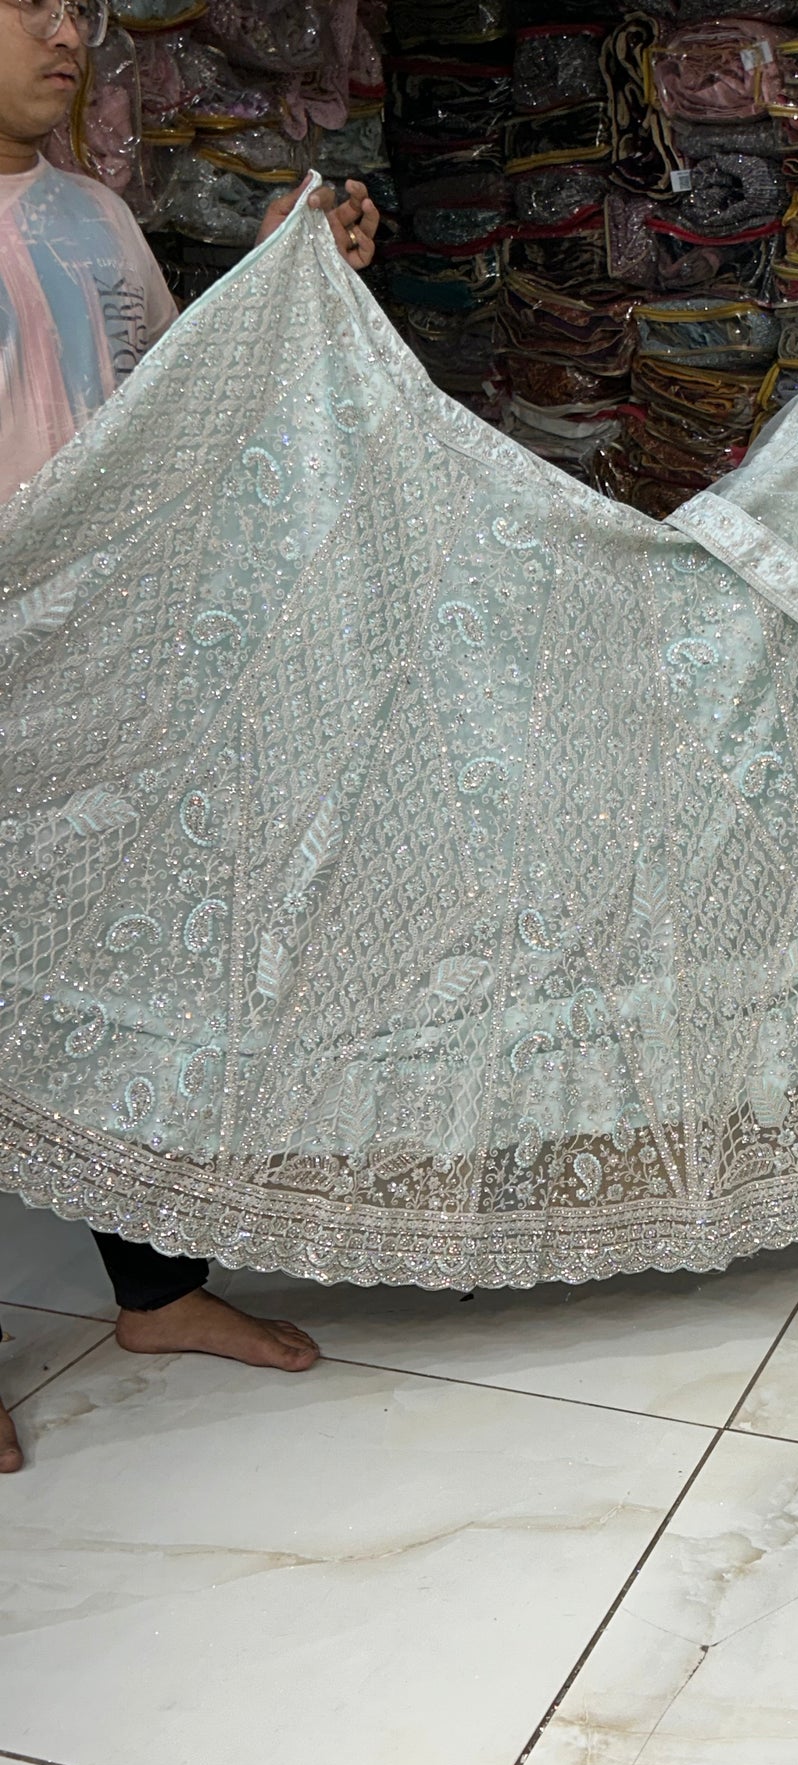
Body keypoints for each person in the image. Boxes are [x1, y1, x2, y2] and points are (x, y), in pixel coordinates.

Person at [0, 0, 381, 1469]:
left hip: (105, 681)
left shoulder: (95, 215)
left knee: (118, 978)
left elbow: (183, 417)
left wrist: (307, 293)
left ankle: (154, 1289)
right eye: (27, 6)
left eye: (72, 11)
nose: (63, 36)